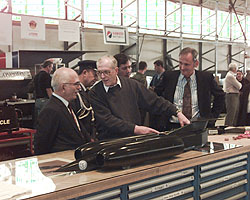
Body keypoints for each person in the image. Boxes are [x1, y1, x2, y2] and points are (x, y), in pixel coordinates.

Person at [89, 55, 190, 140]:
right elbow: (107, 120)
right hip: (110, 142)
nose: (102, 76)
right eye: (99, 72)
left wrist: (177, 112)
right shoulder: (95, 93)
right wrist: (136, 129)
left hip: (133, 140)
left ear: (116, 70)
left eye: (106, 72)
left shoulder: (132, 85)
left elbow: (154, 101)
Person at [155, 47, 225, 130]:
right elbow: (156, 96)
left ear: (196, 64)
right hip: (172, 126)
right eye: (180, 63)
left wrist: (211, 117)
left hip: (198, 127)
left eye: (186, 64)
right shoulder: (169, 77)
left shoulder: (206, 78)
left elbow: (220, 96)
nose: (182, 67)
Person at [34, 67, 90, 155]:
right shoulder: (51, 110)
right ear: (64, 87)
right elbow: (41, 146)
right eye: (76, 84)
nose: (79, 88)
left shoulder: (68, 106)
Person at [71, 60, 98, 141]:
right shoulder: (76, 93)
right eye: (95, 75)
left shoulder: (86, 92)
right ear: (85, 72)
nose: (96, 79)